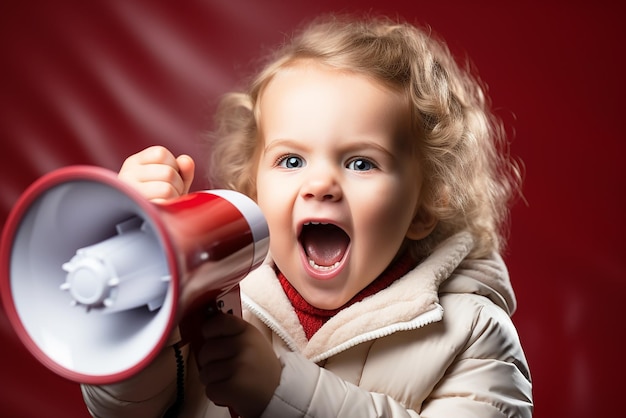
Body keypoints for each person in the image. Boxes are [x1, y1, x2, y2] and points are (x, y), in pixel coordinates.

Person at [82, 14, 533, 418]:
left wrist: (283, 390)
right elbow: (123, 409)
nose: (320, 185)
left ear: (424, 207)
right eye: (291, 161)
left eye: (360, 163)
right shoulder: (212, 286)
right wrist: (136, 271)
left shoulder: (473, 334)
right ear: (255, 188)